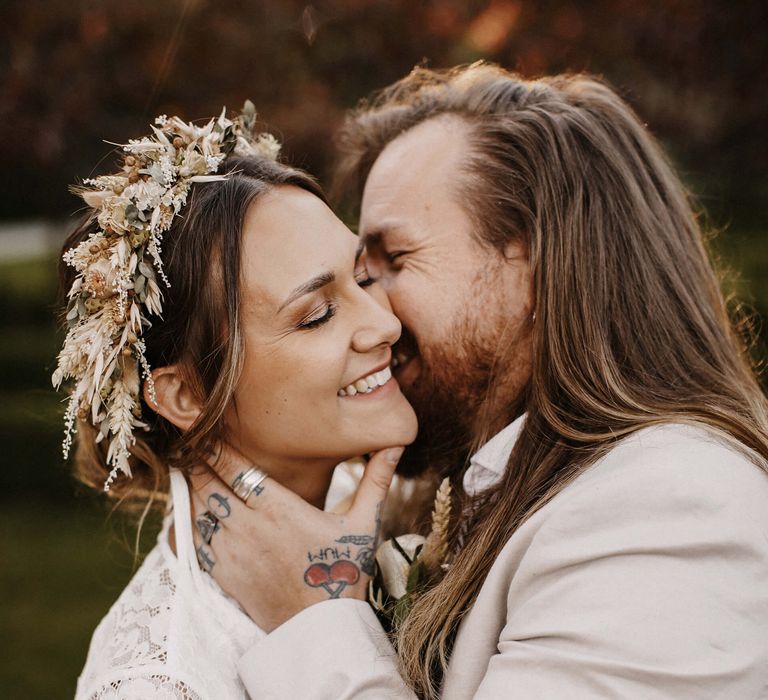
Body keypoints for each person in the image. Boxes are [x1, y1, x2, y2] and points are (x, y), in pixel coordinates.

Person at [187, 65, 768, 698]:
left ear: (535, 261)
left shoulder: (671, 509)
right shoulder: (456, 479)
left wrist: (314, 618)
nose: (374, 315)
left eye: (392, 262)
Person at [54, 106, 417, 699]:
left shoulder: (412, 504)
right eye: (316, 315)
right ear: (185, 393)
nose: (384, 325)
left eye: (364, 276)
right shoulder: (160, 683)